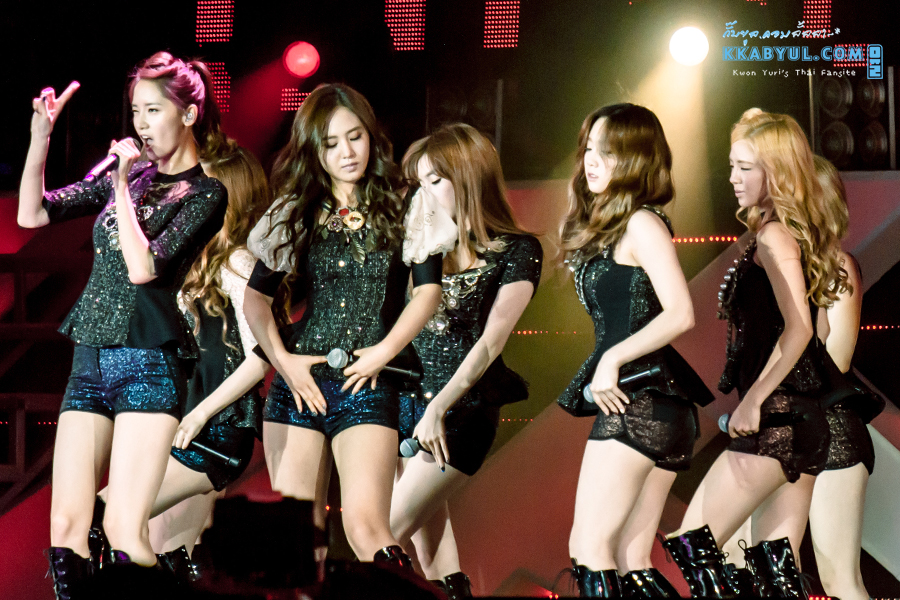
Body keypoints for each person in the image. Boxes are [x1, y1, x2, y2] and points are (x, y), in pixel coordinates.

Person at [17, 52, 229, 596]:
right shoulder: (132, 180)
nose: (141, 124)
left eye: (153, 110)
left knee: (122, 528)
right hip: (90, 355)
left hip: (148, 363)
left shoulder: (205, 193)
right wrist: (41, 138)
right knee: (67, 527)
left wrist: (119, 186)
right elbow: (32, 215)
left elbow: (143, 267)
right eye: (135, 111)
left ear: (189, 113)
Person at [242, 83, 445, 566]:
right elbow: (255, 300)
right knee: (295, 544)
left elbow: (428, 293)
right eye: (331, 143)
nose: (347, 152)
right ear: (314, 149)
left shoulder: (407, 203)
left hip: (367, 383)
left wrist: (383, 353)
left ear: (371, 135)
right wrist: (285, 363)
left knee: (365, 527)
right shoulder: (295, 210)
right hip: (300, 386)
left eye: (355, 137)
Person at [665, 110, 848, 599]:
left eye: (745, 167)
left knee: (692, 544)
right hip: (800, 417)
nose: (732, 177)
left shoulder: (772, 237)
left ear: (777, 173)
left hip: (779, 418)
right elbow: (819, 328)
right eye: (732, 165)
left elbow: (802, 329)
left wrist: (754, 400)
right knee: (774, 570)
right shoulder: (787, 234)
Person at [557, 103, 709, 597]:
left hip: (640, 401)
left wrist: (612, 358)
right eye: (589, 149)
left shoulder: (642, 223)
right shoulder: (619, 224)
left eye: (607, 152)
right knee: (630, 558)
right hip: (656, 405)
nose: (591, 161)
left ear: (638, 159)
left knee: (588, 548)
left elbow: (681, 312)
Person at [389, 124, 543, 597]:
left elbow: (491, 343)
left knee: (380, 536)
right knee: (432, 555)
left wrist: (438, 408)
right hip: (403, 405)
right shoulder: (419, 251)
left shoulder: (517, 250)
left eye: (435, 180)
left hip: (459, 413)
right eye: (418, 183)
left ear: (468, 177)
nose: (424, 194)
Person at [733, 155, 879, 600]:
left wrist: (807, 320)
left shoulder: (836, 266)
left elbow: (837, 360)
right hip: (778, 428)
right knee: (750, 561)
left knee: (838, 578)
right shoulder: (769, 262)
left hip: (829, 428)